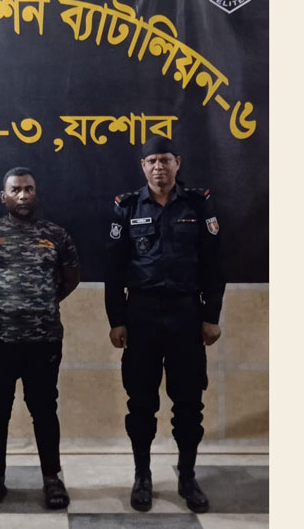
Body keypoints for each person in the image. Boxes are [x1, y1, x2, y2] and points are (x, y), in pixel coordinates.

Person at [104, 136, 225, 513]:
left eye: (165, 160)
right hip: (140, 315)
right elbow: (113, 267)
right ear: (143, 166)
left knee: (189, 402)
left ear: (178, 163)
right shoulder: (127, 206)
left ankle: (187, 477)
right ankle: (142, 476)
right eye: (152, 161)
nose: (159, 167)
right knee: (140, 402)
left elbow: (214, 264)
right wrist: (116, 320)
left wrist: (211, 316)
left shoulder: (198, 204)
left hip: (186, 315)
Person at [0, 167, 80, 511]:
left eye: (28, 189)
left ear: (36, 193)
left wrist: (41, 303)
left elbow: (71, 278)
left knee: (44, 409)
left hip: (43, 340)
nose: (23, 195)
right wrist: (0, 303)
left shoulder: (56, 235)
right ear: (4, 196)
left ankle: (52, 478)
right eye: (16, 190)